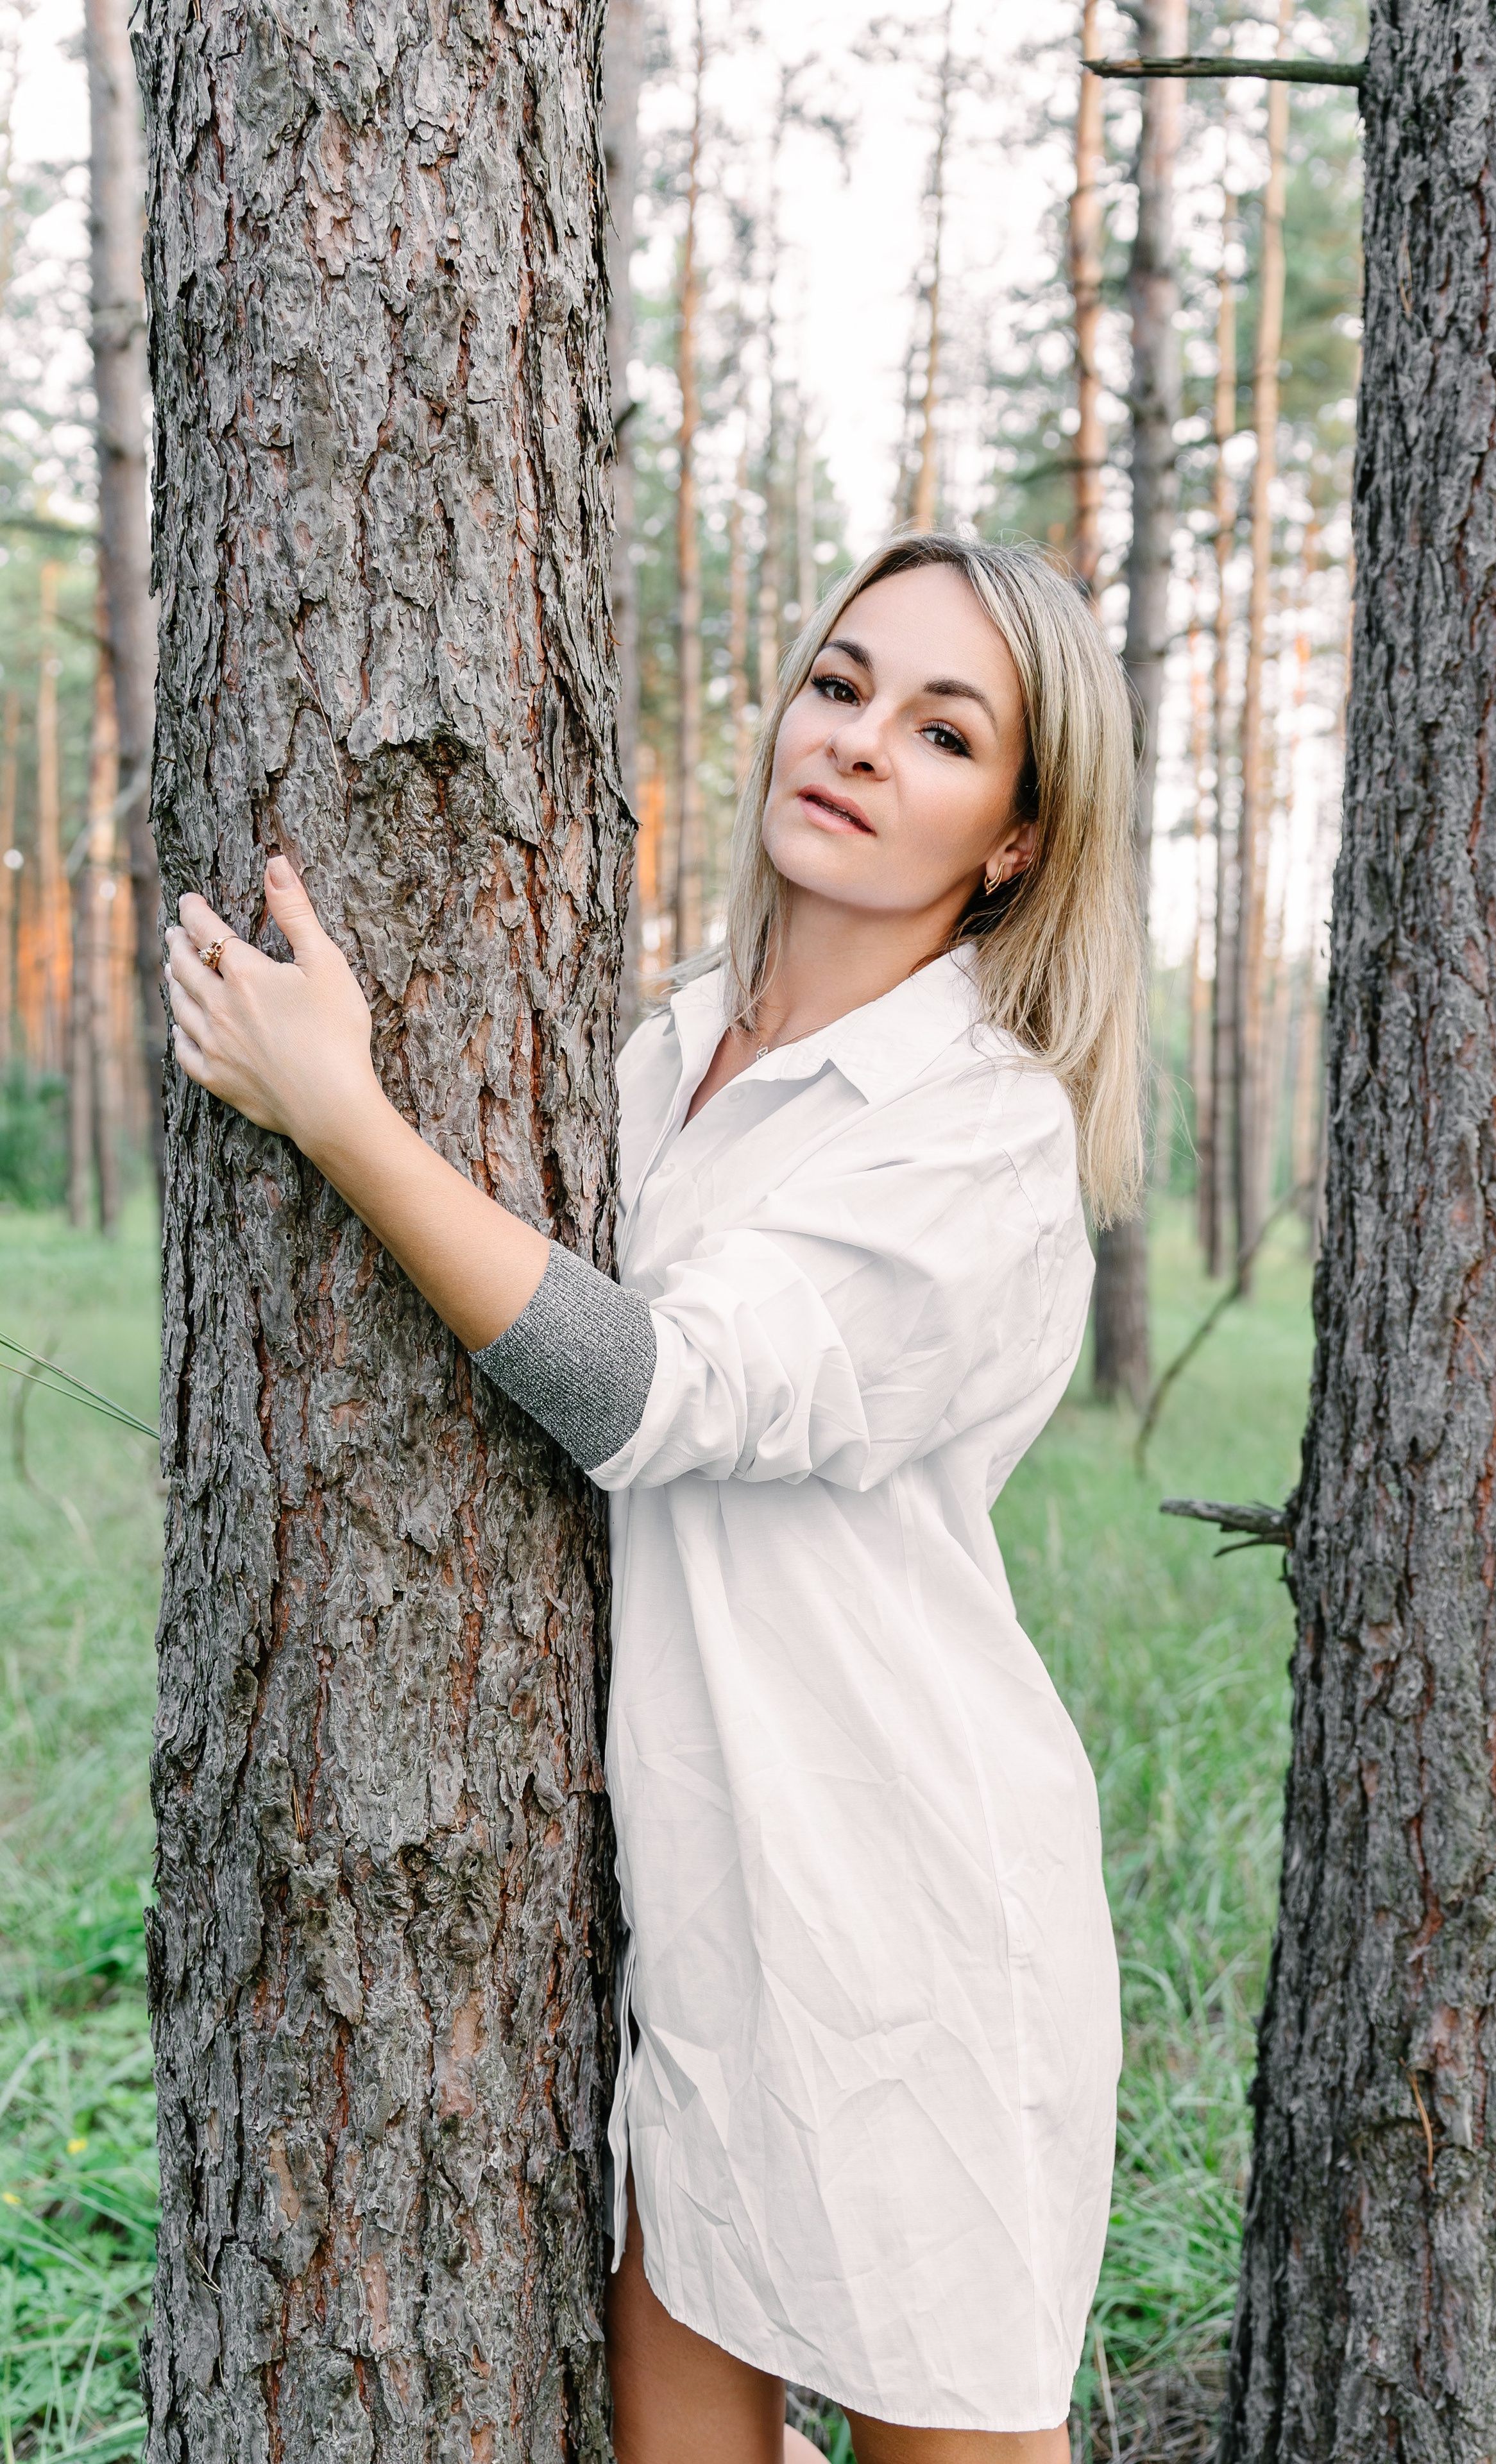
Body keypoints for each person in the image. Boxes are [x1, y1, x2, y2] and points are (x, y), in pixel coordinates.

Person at [163, 533, 1145, 2464]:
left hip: (907, 1917)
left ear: (1017, 839)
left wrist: (338, 1112)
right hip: (695, 1928)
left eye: (945, 732)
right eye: (843, 684)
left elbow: (652, 1393)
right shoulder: (665, 1046)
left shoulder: (978, 1130)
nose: (860, 742)